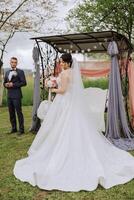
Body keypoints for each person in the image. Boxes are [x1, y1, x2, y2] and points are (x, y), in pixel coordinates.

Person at [13, 53, 134, 192]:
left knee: (62, 127)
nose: (60, 63)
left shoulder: (65, 74)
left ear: (66, 62)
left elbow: (63, 90)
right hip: (71, 103)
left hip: (64, 103)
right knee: (71, 127)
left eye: (61, 62)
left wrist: (52, 88)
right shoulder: (73, 73)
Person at [3, 57, 27, 135]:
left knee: (19, 113)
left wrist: (13, 84)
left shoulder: (20, 72)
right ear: (10, 63)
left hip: (17, 95)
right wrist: (5, 85)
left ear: (17, 63)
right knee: (11, 113)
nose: (13, 63)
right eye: (12, 62)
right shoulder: (7, 72)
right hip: (9, 95)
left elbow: (24, 83)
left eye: (15, 62)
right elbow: (4, 83)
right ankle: (14, 128)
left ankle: (21, 129)